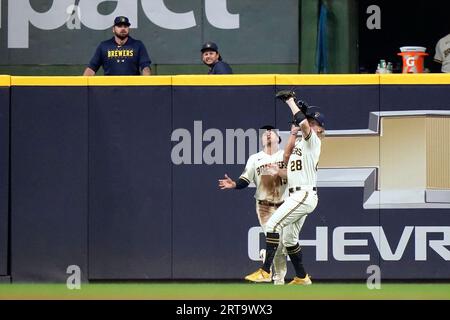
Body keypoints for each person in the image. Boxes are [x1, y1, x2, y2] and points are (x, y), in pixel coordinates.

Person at [245, 90, 325, 285]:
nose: (310, 126)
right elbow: (286, 157)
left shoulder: (314, 141)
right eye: (309, 122)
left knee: (272, 225)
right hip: (296, 195)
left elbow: (304, 124)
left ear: (320, 129)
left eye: (314, 124)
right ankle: (302, 277)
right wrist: (293, 131)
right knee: (289, 239)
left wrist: (290, 102)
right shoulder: (301, 143)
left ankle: (265, 271)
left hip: (304, 194)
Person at [218, 126, 288, 285]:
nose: (268, 134)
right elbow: (245, 180)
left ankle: (269, 261)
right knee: (275, 239)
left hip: (285, 204)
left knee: (283, 244)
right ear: (262, 140)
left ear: (279, 138)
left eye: (272, 133)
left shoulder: (285, 155)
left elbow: (296, 175)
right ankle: (277, 279)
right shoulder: (255, 158)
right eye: (265, 134)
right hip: (264, 206)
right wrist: (234, 184)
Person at [83, 16, 151, 76]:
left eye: (125, 26)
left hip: (132, 88)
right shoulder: (104, 46)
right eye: (119, 26)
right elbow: (92, 68)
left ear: (128, 29)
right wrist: (82, 86)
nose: (123, 29)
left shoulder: (138, 45)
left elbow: (145, 67)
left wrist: (147, 81)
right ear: (113, 29)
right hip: (109, 88)